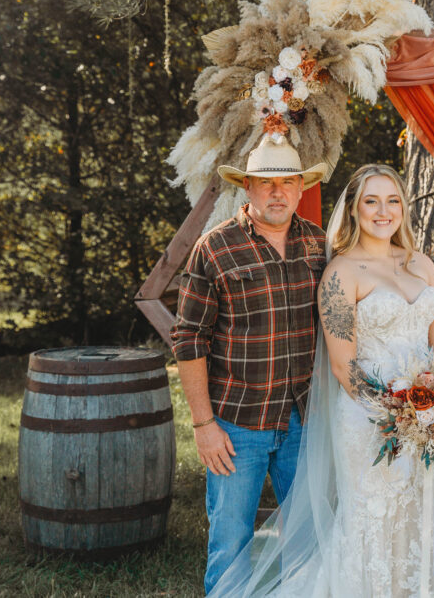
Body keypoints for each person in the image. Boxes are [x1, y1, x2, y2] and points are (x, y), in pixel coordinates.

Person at [207, 163, 434, 598]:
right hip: (369, 420)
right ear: (355, 210)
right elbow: (343, 366)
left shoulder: (423, 265)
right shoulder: (341, 274)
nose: (383, 211)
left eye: (392, 200)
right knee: (372, 520)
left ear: (404, 207)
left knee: (419, 517)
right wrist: (400, 418)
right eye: (371, 201)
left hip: (426, 421)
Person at [170, 134, 329, 595]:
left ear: (301, 188)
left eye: (287, 182)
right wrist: (203, 425)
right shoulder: (215, 248)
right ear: (246, 187)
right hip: (237, 425)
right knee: (230, 541)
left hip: (303, 418)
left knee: (307, 538)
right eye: (265, 183)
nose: (276, 192)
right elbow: (188, 338)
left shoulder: (320, 246)